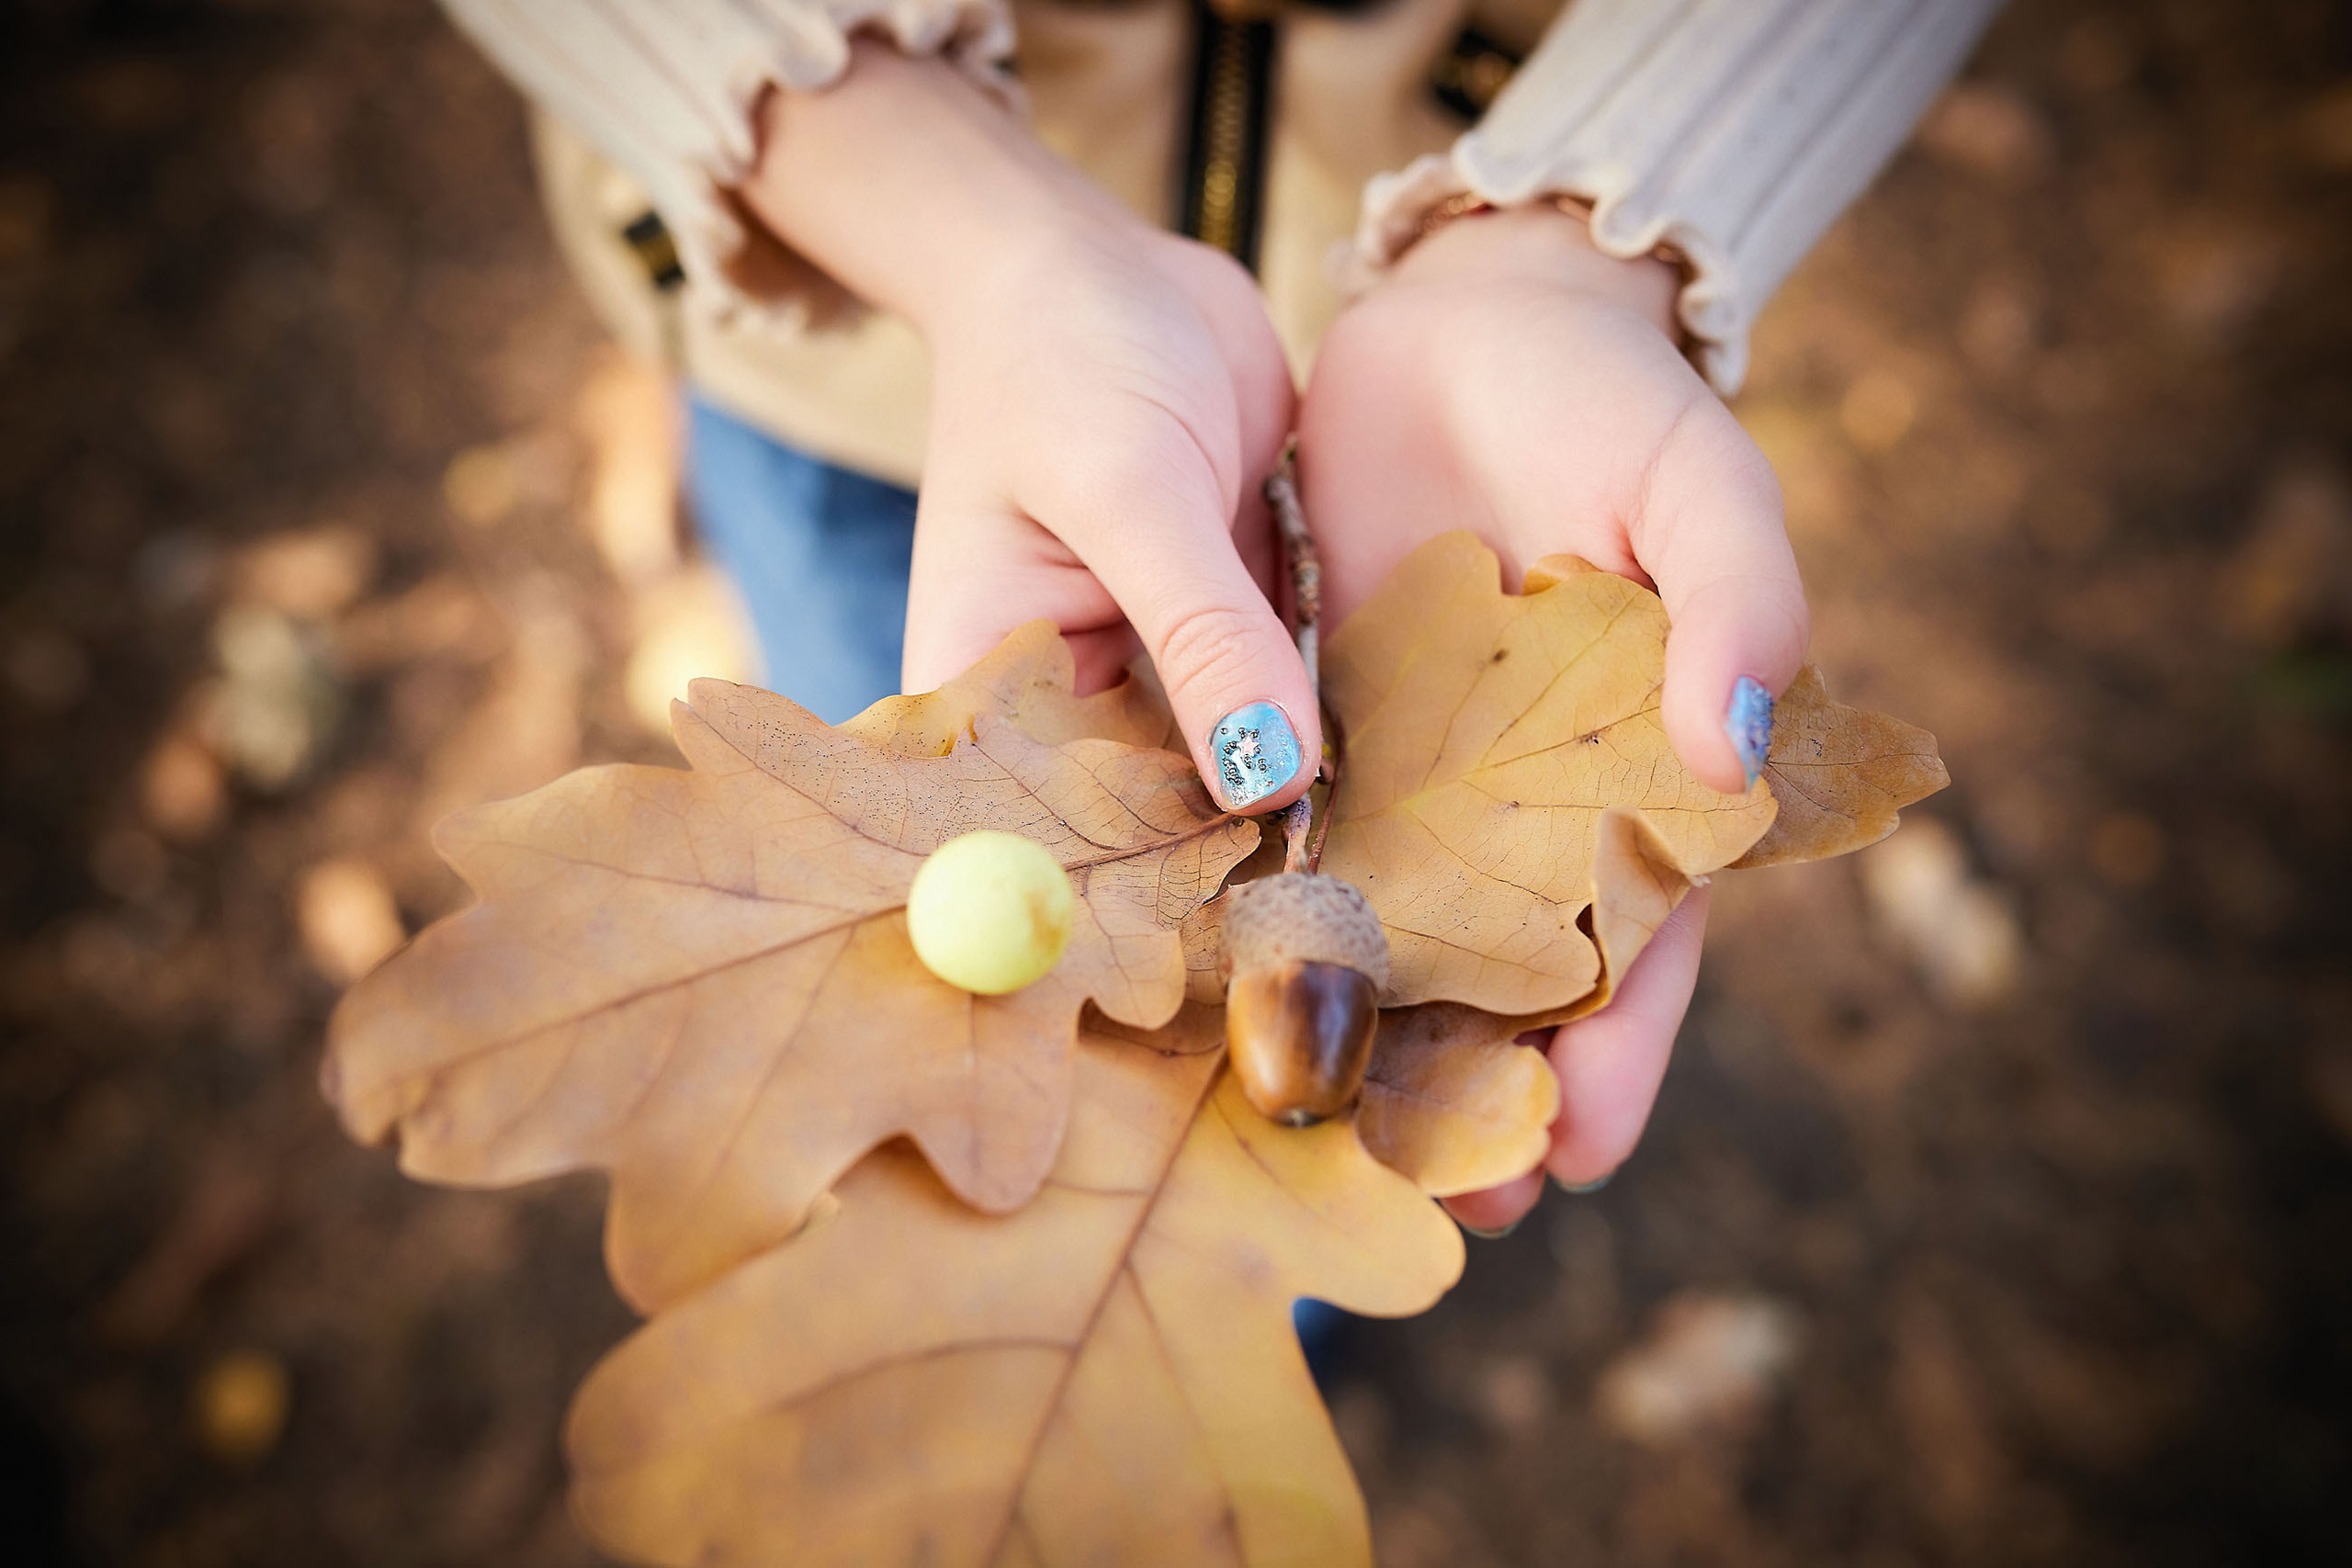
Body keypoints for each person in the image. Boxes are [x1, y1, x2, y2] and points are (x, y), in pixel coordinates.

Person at [438, 0, 2003, 1235]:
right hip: (860, 342)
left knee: (1286, 1142)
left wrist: (1590, 237)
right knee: (907, 765)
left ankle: (1278, 1260)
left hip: (1453, 307)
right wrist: (947, 219)